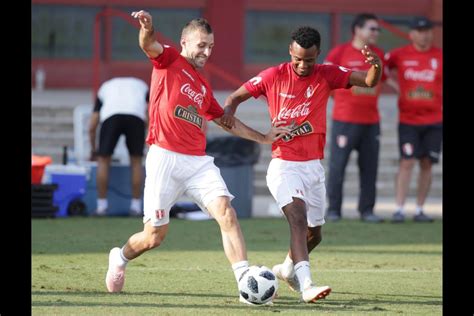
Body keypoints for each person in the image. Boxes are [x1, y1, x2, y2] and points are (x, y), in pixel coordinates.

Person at [105, 10, 291, 305]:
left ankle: (245, 280)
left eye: (211, 46)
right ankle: (120, 257)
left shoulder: (203, 87)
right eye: (201, 45)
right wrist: (148, 28)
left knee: (226, 212)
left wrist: (264, 137)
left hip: (197, 162)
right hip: (164, 156)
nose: (207, 51)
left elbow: (225, 120)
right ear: (184, 42)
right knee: (154, 237)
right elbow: (148, 44)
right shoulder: (168, 59)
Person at [221, 26, 382, 303]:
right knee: (297, 217)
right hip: (283, 165)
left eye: (309, 60)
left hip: (313, 167)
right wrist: (229, 113)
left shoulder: (328, 74)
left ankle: (286, 269)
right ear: (290, 52)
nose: (302, 65)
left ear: (318, 54)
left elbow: (368, 81)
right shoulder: (273, 75)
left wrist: (376, 67)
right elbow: (234, 97)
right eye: (297, 59)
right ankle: (307, 285)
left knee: (314, 234)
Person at [324, 13, 385, 223]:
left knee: (370, 168)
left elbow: (382, 81)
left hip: (371, 122)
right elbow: (325, 81)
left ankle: (367, 210)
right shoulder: (339, 52)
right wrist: (343, 102)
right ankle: (333, 210)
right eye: (372, 28)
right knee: (337, 167)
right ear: (357, 30)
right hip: (345, 120)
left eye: (377, 29)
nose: (376, 32)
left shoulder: (378, 54)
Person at [385, 17, 442, 223]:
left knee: (427, 163)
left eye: (427, 30)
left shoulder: (439, 55)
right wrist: (394, 84)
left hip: (435, 120)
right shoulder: (400, 54)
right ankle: (399, 209)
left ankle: (419, 209)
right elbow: (381, 67)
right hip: (408, 120)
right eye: (419, 30)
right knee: (407, 161)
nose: (424, 34)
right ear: (412, 34)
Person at [88, 76, 149, 216]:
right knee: (136, 161)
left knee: (103, 161)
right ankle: (136, 207)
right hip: (136, 117)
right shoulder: (141, 85)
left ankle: (101, 207)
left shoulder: (105, 87)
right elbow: (150, 114)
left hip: (111, 116)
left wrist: (94, 150)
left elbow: (92, 125)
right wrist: (148, 141)